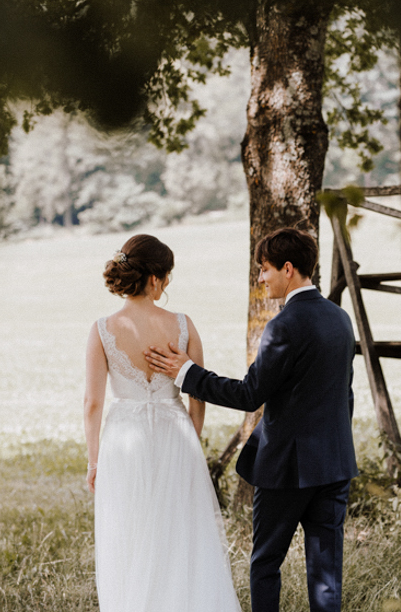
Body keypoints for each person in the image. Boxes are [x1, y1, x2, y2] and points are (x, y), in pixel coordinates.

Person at [146, 227, 358, 612]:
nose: (261, 278)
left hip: (287, 469)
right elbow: (345, 394)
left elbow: (249, 394)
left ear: (288, 269)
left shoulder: (284, 325)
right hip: (335, 464)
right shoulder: (341, 318)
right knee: (327, 573)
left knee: (265, 563)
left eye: (264, 269)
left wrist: (187, 372)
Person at [83, 234, 240, 612]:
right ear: (154, 278)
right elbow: (197, 394)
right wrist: (191, 438)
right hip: (175, 434)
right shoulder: (183, 325)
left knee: (131, 529)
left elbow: (92, 403)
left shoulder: (103, 329)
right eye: (167, 275)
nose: (168, 283)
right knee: (181, 530)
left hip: (124, 438)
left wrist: (93, 460)